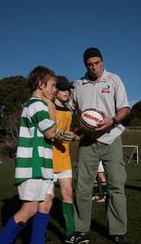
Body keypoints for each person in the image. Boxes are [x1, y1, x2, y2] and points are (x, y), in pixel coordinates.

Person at [69, 47, 131, 244]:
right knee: (83, 187)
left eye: (97, 63)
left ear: (102, 61)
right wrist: (75, 129)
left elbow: (125, 108)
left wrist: (112, 120)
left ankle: (117, 231)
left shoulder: (114, 80)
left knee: (116, 186)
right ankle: (80, 230)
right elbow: (67, 108)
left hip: (111, 138)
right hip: (88, 141)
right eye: (89, 64)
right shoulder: (78, 85)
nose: (93, 67)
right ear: (85, 65)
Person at [0, 66, 57, 244]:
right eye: (52, 85)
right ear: (41, 84)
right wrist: (52, 107)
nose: (54, 90)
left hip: (42, 167)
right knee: (29, 209)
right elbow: (51, 132)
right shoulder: (37, 105)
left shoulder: (35, 104)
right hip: (33, 167)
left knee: (46, 202)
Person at [46, 75, 80, 243]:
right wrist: (70, 136)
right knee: (48, 199)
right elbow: (51, 134)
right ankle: (40, 232)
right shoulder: (48, 107)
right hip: (48, 158)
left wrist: (73, 135)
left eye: (68, 89)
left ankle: (70, 235)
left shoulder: (69, 112)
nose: (67, 92)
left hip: (64, 157)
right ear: (55, 90)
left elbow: (66, 134)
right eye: (63, 89)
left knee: (68, 194)